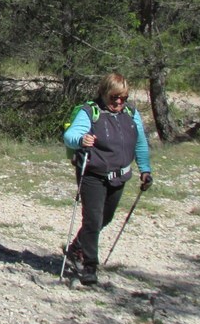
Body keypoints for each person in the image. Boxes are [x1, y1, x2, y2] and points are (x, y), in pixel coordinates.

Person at [63, 73, 152, 286]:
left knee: (106, 217)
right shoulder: (89, 112)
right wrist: (81, 139)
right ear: (103, 93)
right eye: (114, 98)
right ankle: (89, 266)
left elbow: (139, 143)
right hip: (93, 174)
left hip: (119, 175)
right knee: (92, 220)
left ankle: (75, 249)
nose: (119, 102)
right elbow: (70, 136)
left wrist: (145, 169)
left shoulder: (131, 114)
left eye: (123, 97)